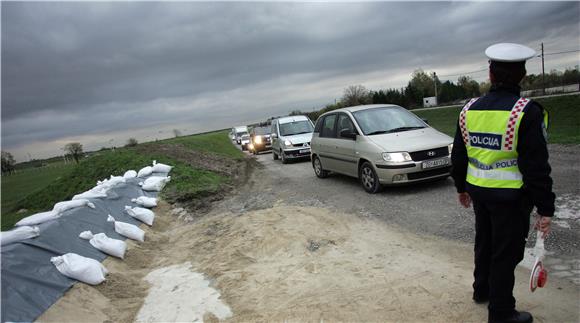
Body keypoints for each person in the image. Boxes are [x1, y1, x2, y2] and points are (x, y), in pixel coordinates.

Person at [451, 43, 555, 323]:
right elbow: (535, 167)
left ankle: (481, 290)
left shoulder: (469, 109)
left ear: (490, 74)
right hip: (510, 198)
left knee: (484, 243)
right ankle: (501, 312)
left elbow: (459, 154)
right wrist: (546, 208)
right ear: (522, 75)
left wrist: (461, 187)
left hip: (479, 192)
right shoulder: (526, 112)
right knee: (504, 254)